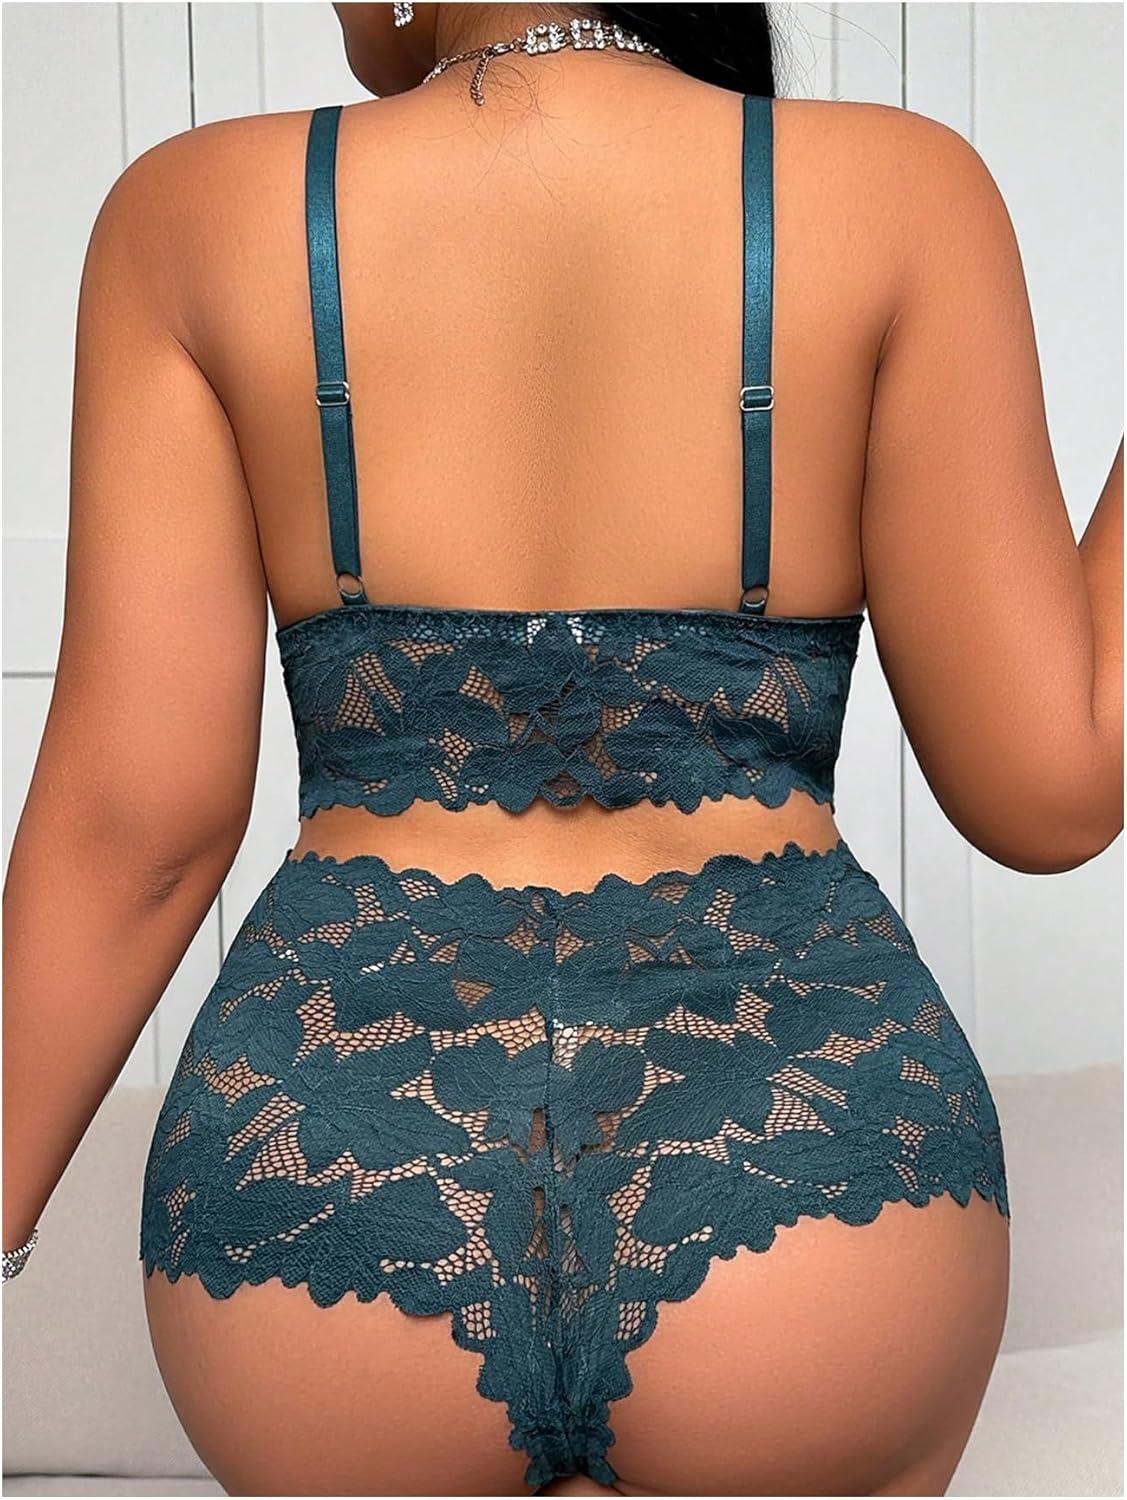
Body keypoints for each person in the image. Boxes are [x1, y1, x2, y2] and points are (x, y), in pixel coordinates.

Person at [4, 4, 1121, 1496]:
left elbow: (132, 837)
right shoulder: (900, 193)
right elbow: (1051, 792)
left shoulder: (192, 215)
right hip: (809, 1178)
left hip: (331, 1177)